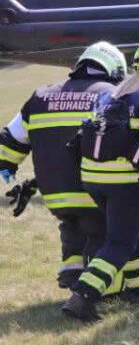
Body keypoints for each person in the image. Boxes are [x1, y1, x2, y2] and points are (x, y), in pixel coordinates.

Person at [62, 36, 139, 322]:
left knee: (131, 231)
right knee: (119, 243)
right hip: (123, 180)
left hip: (92, 177)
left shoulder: (112, 94)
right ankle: (83, 297)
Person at [0, 42, 127, 294]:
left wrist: (8, 170)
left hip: (56, 194)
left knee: (72, 222)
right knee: (103, 233)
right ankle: (102, 289)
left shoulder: (40, 96)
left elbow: (10, 141)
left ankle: (71, 269)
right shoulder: (113, 94)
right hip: (97, 189)